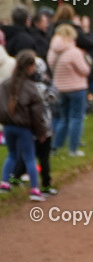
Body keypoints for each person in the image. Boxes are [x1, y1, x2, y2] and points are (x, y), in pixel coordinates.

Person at [0, 50, 48, 201]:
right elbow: (37, 113)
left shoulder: (5, 84)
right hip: (24, 128)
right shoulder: (31, 87)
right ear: (29, 67)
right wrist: (41, 132)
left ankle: (4, 183)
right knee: (29, 157)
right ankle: (34, 189)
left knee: (12, 154)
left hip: (8, 126)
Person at [48, 23, 92, 156]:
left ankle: (55, 146)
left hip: (60, 88)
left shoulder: (52, 52)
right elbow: (85, 70)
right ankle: (73, 149)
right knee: (76, 118)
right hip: (76, 88)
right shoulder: (74, 52)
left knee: (63, 118)